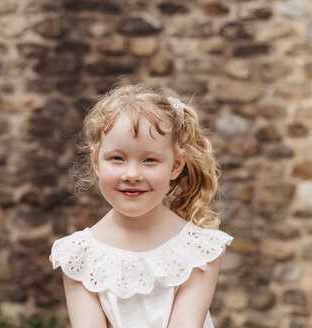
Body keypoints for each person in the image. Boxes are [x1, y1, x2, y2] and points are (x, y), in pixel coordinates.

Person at [49, 84, 233, 328]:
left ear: (176, 165)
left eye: (149, 160)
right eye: (117, 158)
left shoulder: (199, 249)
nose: (132, 174)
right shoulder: (78, 255)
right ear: (96, 161)